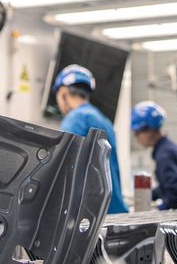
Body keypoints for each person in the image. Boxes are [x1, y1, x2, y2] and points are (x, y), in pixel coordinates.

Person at [53, 64, 129, 214]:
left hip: (92, 213)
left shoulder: (75, 118)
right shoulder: (103, 119)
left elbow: (61, 165)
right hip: (113, 207)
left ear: (63, 93)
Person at [130, 101, 177, 210]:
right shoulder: (171, 148)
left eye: (137, 133)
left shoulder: (164, 156)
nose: (137, 138)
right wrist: (151, 195)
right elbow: (169, 187)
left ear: (148, 130)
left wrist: (158, 210)